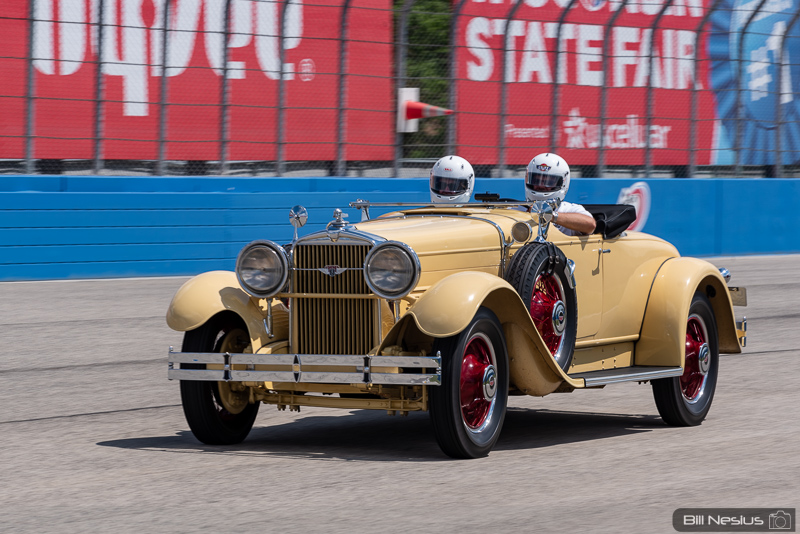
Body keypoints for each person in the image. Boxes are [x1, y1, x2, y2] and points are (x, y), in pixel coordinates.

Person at [525, 153, 596, 236]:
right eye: (536, 180)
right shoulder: (518, 209)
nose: (541, 186)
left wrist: (548, 215)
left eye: (549, 182)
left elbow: (590, 225)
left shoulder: (568, 209)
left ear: (562, 183)